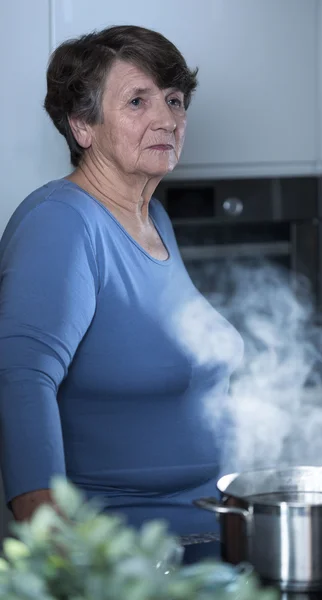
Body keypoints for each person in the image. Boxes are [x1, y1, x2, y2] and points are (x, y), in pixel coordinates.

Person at [0, 25, 242, 556]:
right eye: (139, 101)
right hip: (131, 556)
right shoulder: (62, 223)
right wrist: (58, 558)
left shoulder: (152, 217)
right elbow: (19, 382)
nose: (168, 119)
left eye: (175, 101)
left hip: (210, 536)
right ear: (82, 124)